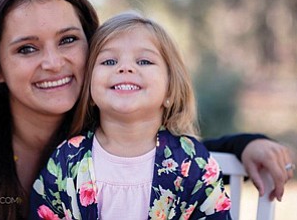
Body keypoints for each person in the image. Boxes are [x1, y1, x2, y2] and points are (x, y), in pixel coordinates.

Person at [0, 0, 293, 220]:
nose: (53, 62)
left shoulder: (109, 129)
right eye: (27, 48)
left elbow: (165, 157)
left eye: (68, 40)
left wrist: (245, 144)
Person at [30, 12, 232, 219]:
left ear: (170, 90)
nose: (125, 68)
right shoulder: (66, 159)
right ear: (89, 90)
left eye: (144, 61)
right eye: (109, 61)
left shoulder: (193, 162)